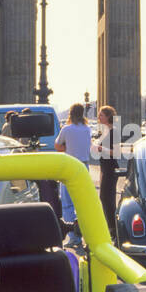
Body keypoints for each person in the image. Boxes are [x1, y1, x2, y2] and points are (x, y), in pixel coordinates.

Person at [55, 103, 93, 247]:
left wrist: (66, 147)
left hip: (70, 165)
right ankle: (88, 237)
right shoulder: (87, 129)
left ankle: (73, 237)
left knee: (68, 204)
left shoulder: (67, 129)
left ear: (70, 113)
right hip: (84, 167)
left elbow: (58, 146)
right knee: (82, 203)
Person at [92, 105, 120, 242]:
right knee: (105, 198)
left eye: (101, 115)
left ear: (108, 117)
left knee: (107, 198)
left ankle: (113, 229)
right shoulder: (105, 131)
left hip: (110, 168)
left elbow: (115, 152)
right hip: (104, 167)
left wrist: (101, 148)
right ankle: (111, 228)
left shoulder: (113, 131)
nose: (99, 117)